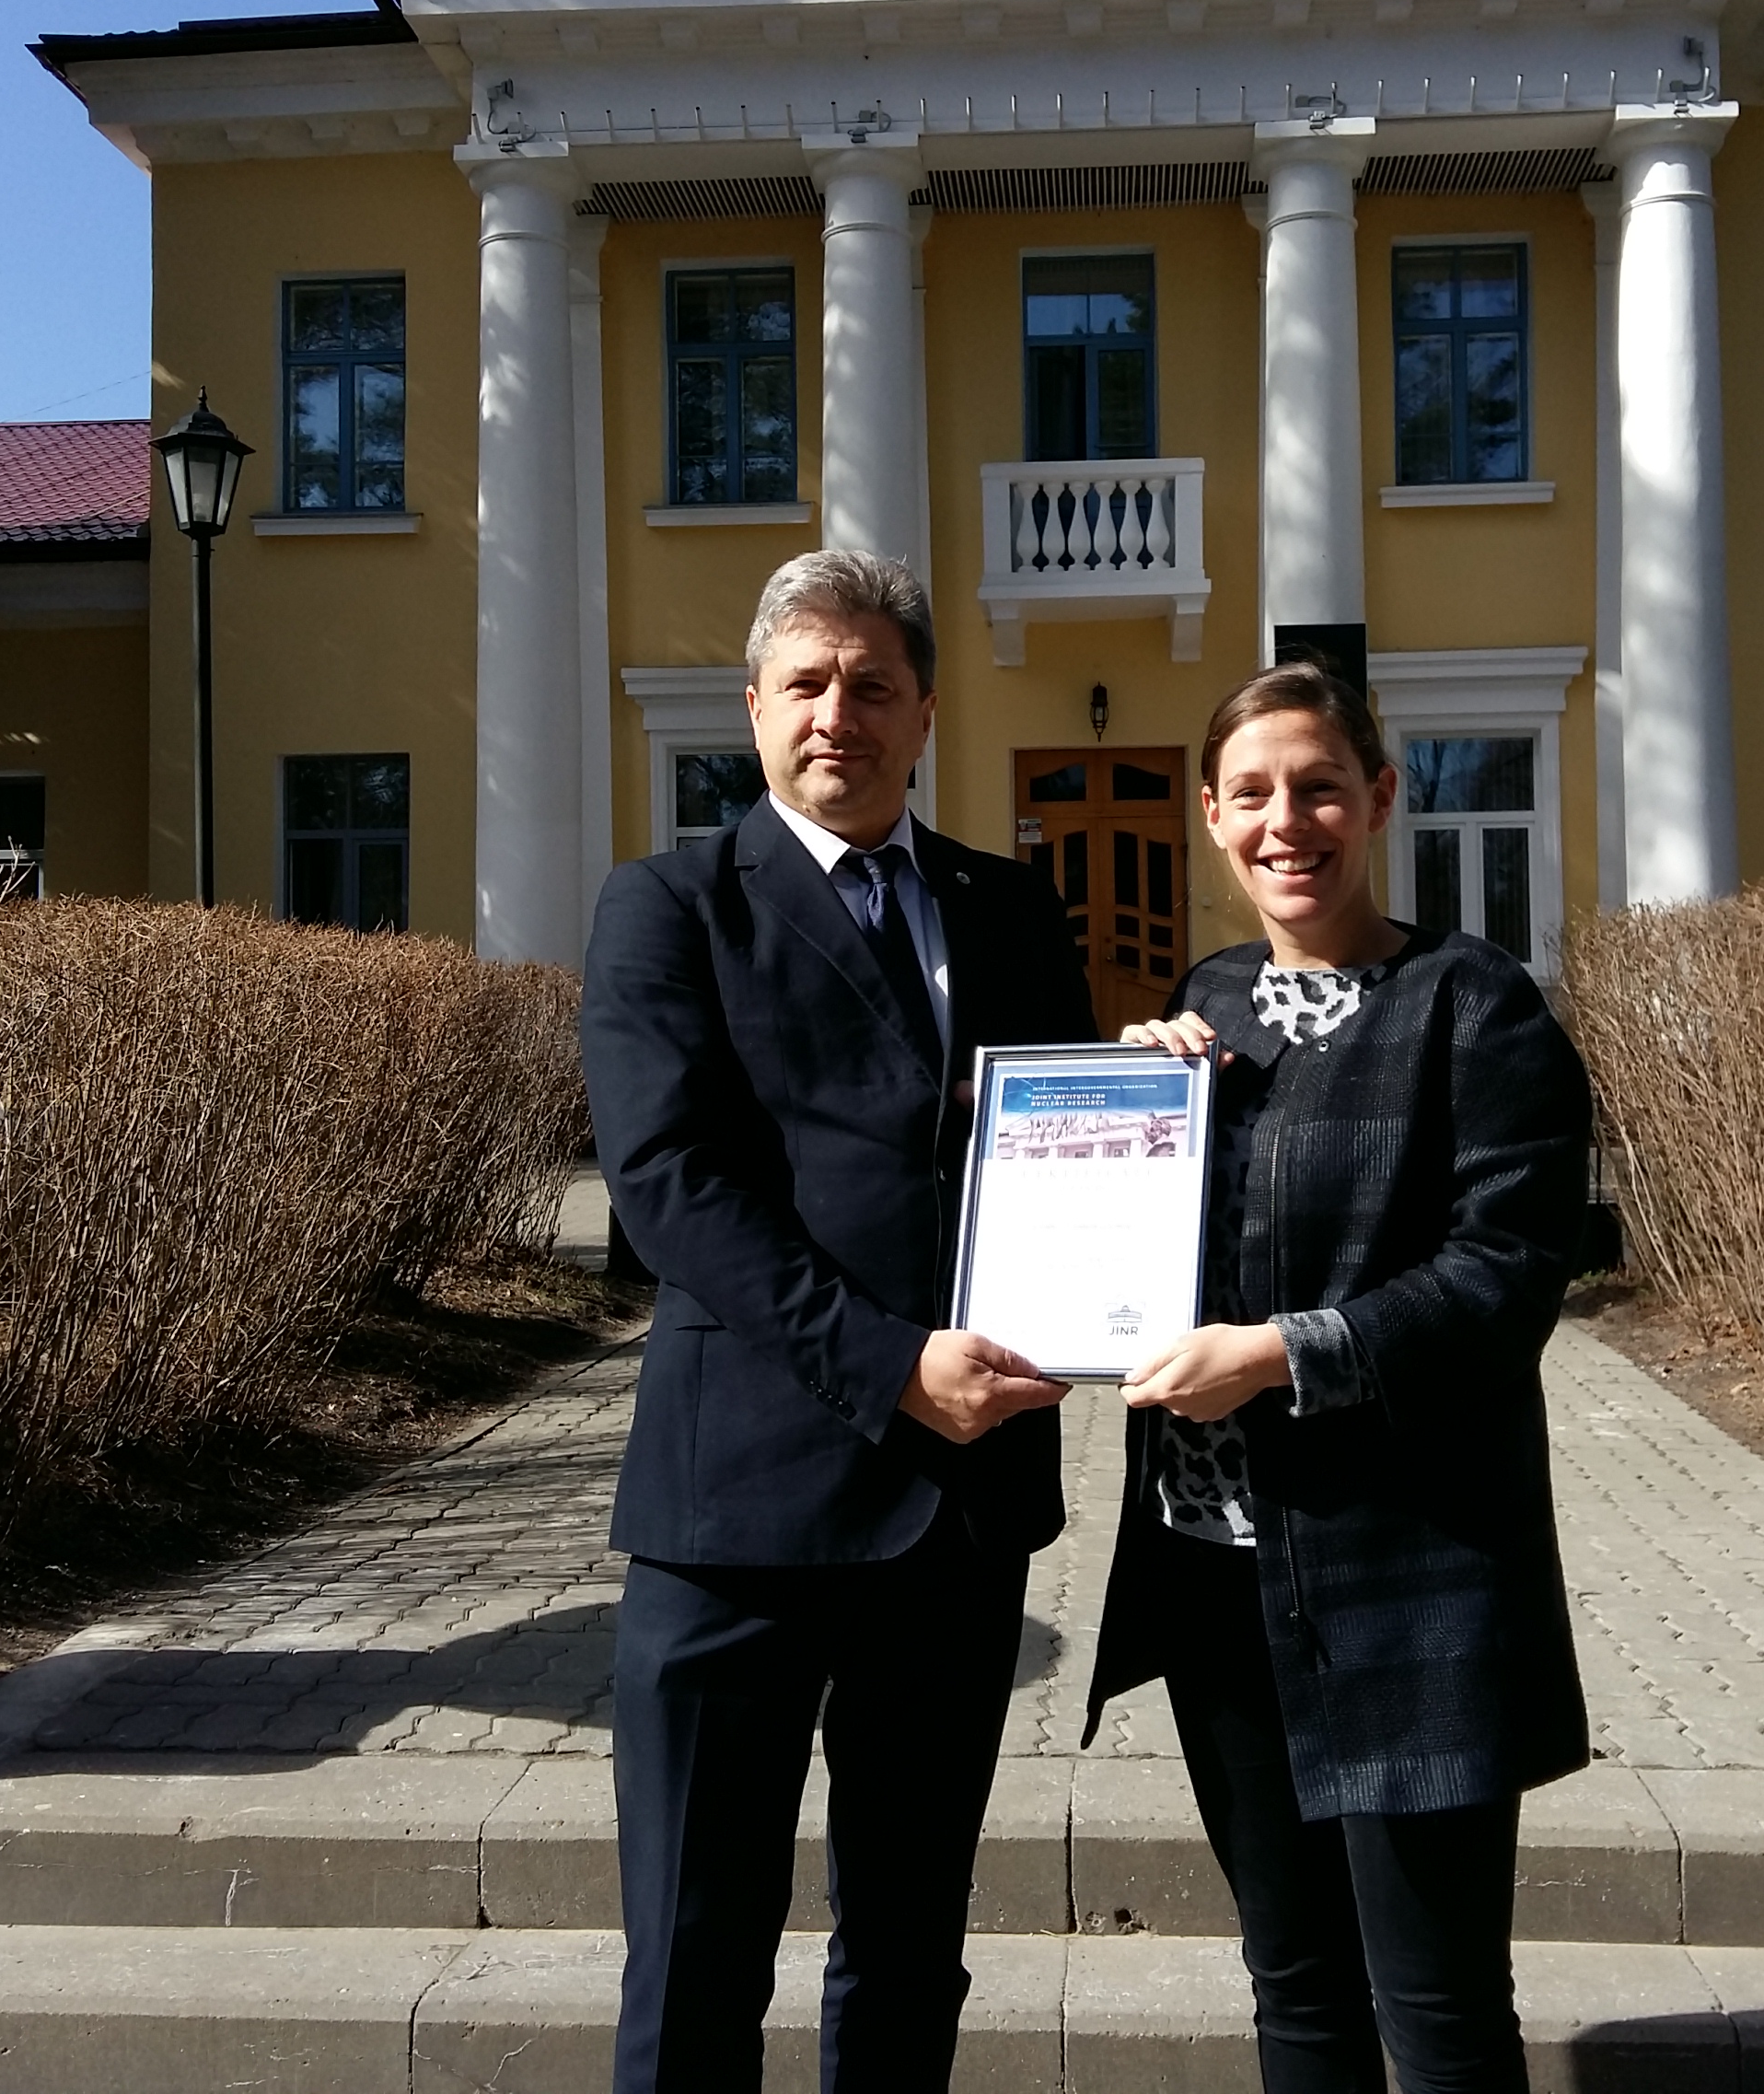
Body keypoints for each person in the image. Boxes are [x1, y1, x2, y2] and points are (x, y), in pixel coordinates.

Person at [580, 548, 1097, 2094]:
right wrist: (890, 1367)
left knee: (909, 1951)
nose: (838, 715)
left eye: (874, 685)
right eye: (806, 684)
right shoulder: (668, 907)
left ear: (925, 713)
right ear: (753, 707)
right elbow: (671, 1189)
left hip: (955, 1517)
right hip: (737, 1511)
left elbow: (1060, 1151)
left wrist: (1154, 1108)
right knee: (694, 1957)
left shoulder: (1010, 907)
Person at [1090, 657, 1594, 2093]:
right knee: (1297, 1986)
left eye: (1318, 787)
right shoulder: (1209, 1003)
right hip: (1215, 1569)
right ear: (1209, 815)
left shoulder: (1472, 1006)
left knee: (1437, 2013)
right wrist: (1134, 1107)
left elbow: (1505, 1280)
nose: (1285, 822)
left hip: (1408, 1572)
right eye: (1250, 793)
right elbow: (1159, 1256)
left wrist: (1278, 1357)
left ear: (1379, 798)